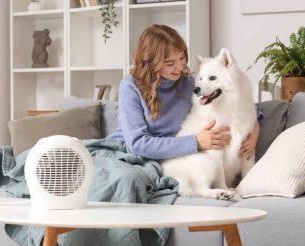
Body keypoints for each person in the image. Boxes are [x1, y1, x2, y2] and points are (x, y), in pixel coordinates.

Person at [108, 24, 260, 161]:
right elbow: (137, 144)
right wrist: (196, 142)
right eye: (170, 63)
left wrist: (253, 136)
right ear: (151, 63)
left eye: (182, 58)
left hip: (172, 158)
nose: (180, 67)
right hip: (126, 154)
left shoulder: (190, 84)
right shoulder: (130, 86)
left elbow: (246, 108)